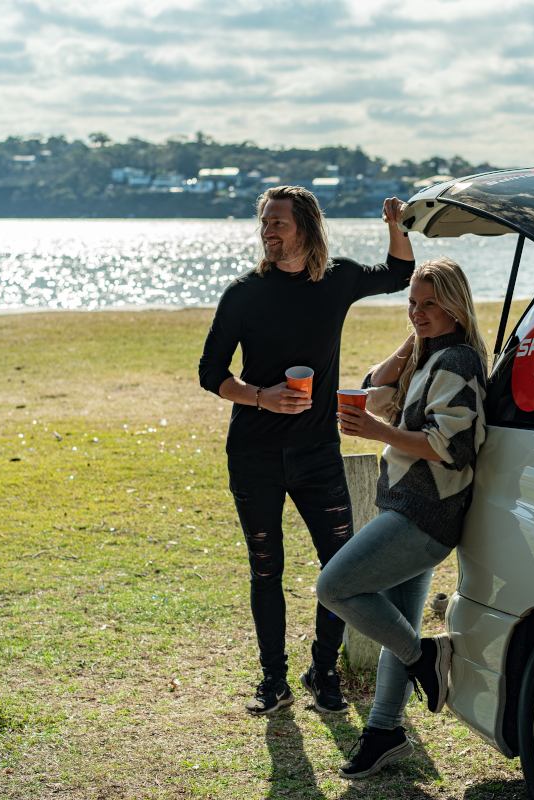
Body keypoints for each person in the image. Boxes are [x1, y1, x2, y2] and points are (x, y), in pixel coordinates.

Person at [197, 187, 415, 716]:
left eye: (279, 223)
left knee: (337, 568)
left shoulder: (336, 279)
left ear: (307, 229)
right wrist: (260, 397)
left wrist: (396, 223)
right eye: (265, 223)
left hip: (318, 453)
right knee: (266, 567)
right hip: (254, 455)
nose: (269, 231)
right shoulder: (243, 294)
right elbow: (210, 373)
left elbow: (398, 273)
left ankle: (323, 669)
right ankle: (273, 680)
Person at [317, 257, 488, 779]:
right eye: (412, 302)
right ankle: (385, 730)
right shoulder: (430, 354)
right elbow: (374, 388)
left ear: (456, 307)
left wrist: (377, 433)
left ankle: (423, 660)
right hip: (405, 505)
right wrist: (411, 341)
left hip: (425, 513)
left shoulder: (457, 360)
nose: (417, 311)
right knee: (397, 623)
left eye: (431, 303)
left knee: (335, 587)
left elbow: (450, 447)